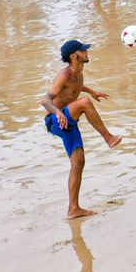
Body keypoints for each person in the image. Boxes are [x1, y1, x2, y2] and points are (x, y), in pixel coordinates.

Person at [40, 40, 123, 218]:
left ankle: (73, 209)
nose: (87, 52)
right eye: (83, 50)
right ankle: (108, 138)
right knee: (84, 103)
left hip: (68, 122)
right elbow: (45, 100)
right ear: (73, 56)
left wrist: (92, 91)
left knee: (78, 163)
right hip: (55, 119)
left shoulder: (78, 73)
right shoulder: (65, 74)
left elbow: (76, 87)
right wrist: (58, 113)